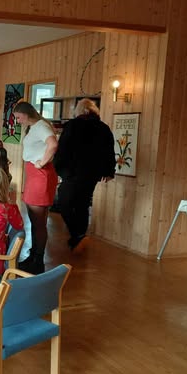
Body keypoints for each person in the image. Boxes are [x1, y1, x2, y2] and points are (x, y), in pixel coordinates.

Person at [53, 98, 115, 253]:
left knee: (64, 202)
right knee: (83, 204)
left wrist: (59, 169)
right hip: (92, 174)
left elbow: (62, 150)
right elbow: (109, 152)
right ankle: (79, 236)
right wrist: (109, 172)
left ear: (79, 110)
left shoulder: (72, 125)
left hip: (72, 173)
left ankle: (77, 235)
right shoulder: (103, 128)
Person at [13, 101, 58, 274]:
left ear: (26, 114)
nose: (18, 121)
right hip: (34, 176)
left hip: (40, 176)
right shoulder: (34, 127)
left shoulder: (41, 126)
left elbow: (53, 144)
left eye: (18, 117)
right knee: (35, 220)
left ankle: (38, 262)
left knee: (39, 222)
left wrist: (41, 163)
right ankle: (33, 256)